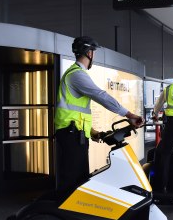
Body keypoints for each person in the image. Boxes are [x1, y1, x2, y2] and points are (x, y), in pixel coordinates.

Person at [54, 36, 143, 193]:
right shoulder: (76, 74)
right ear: (89, 53)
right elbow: (101, 96)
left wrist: (93, 132)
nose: (93, 55)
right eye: (93, 52)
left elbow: (76, 114)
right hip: (71, 137)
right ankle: (69, 214)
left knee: (79, 177)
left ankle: (74, 213)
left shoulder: (73, 74)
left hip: (74, 134)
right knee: (73, 180)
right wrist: (129, 115)